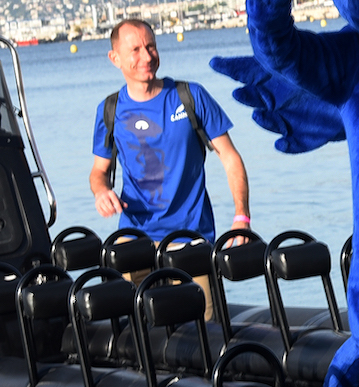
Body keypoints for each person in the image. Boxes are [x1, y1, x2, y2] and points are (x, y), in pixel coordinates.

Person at [90, 18, 252, 241]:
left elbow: (230, 156)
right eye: (135, 50)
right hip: (134, 238)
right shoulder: (109, 109)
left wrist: (242, 217)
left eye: (151, 47)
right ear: (114, 58)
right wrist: (101, 192)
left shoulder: (191, 96)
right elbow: (99, 171)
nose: (147, 57)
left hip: (191, 238)